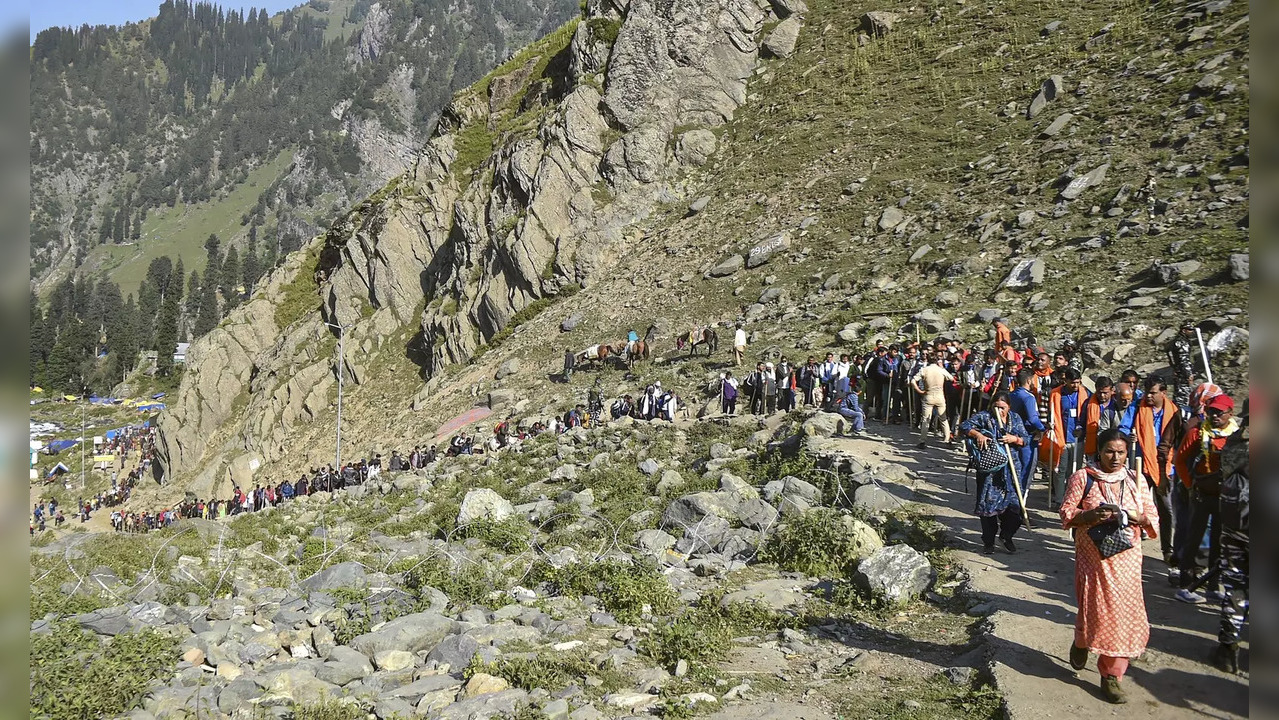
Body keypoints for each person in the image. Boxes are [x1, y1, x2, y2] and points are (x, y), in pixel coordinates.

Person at [1060, 428, 1159, 704]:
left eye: (1121, 452)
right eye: (1109, 452)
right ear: (1098, 452)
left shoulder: (1136, 479)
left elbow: (1152, 517)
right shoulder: (1083, 478)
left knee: (1122, 615)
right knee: (1095, 607)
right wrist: (1089, 515)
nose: (1115, 458)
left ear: (1128, 453)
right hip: (1094, 560)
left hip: (1127, 560)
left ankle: (1111, 675)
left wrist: (1138, 517)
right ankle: (1082, 640)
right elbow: (1067, 512)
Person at [1173, 393, 1241, 603]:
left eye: (1219, 412)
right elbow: (1180, 460)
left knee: (1220, 541)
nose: (1214, 415)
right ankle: (1186, 585)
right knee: (1194, 539)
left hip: (1226, 497)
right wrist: (1189, 484)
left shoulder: (1237, 436)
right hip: (1201, 495)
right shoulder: (1196, 433)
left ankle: (1212, 585)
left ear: (1230, 413)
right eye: (1211, 411)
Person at [959, 391, 1031, 553]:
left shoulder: (1016, 419)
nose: (999, 411)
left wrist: (1014, 439)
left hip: (1012, 468)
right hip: (990, 470)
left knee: (1015, 507)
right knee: (988, 507)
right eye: (996, 407)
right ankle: (988, 541)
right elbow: (964, 426)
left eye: (1003, 407)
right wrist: (978, 435)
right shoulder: (984, 417)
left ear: (1009, 407)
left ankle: (1006, 535)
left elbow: (1025, 439)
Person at [1213, 398, 1248, 673]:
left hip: (1235, 527)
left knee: (1235, 585)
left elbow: (1224, 470)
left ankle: (1228, 647)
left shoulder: (1235, 443)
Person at [1133, 376, 1184, 564]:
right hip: (1142, 467)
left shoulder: (1175, 413)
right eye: (1147, 392)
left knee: (1166, 510)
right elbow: (1124, 427)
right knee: (1137, 508)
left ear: (1164, 393)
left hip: (1165, 468)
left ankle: (1167, 550)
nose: (1148, 396)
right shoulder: (1137, 408)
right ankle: (1133, 547)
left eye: (1153, 393)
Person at [1040, 368, 1088, 501]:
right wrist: (1049, 423)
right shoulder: (1056, 394)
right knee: (1060, 470)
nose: (1076, 386)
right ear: (1065, 381)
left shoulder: (1085, 394)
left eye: (1078, 382)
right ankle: (1060, 499)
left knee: (1075, 471)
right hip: (1061, 437)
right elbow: (1050, 413)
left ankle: (1073, 499)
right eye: (1072, 383)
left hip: (1078, 439)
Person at [1009, 369, 1046, 496]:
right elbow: (1033, 418)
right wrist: (1043, 428)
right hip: (1027, 437)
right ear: (1029, 380)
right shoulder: (1028, 397)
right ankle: (1020, 498)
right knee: (1027, 468)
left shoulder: (1012, 395)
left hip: (1013, 434)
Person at [912, 353, 954, 448]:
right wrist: (942, 368)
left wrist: (919, 390)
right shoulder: (941, 370)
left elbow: (913, 380)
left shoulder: (924, 370)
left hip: (928, 395)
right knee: (943, 418)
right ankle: (947, 439)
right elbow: (951, 378)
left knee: (926, 419)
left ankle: (922, 441)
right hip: (940, 395)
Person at [1167, 323, 1198, 410]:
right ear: (1184, 330)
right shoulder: (1182, 342)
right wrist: (1188, 374)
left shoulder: (1175, 341)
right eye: (1190, 330)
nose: (1192, 332)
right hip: (1183, 374)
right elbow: (1184, 359)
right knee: (1184, 396)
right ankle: (1181, 414)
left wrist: (1174, 367)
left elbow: (1170, 354)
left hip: (1178, 371)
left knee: (1178, 394)